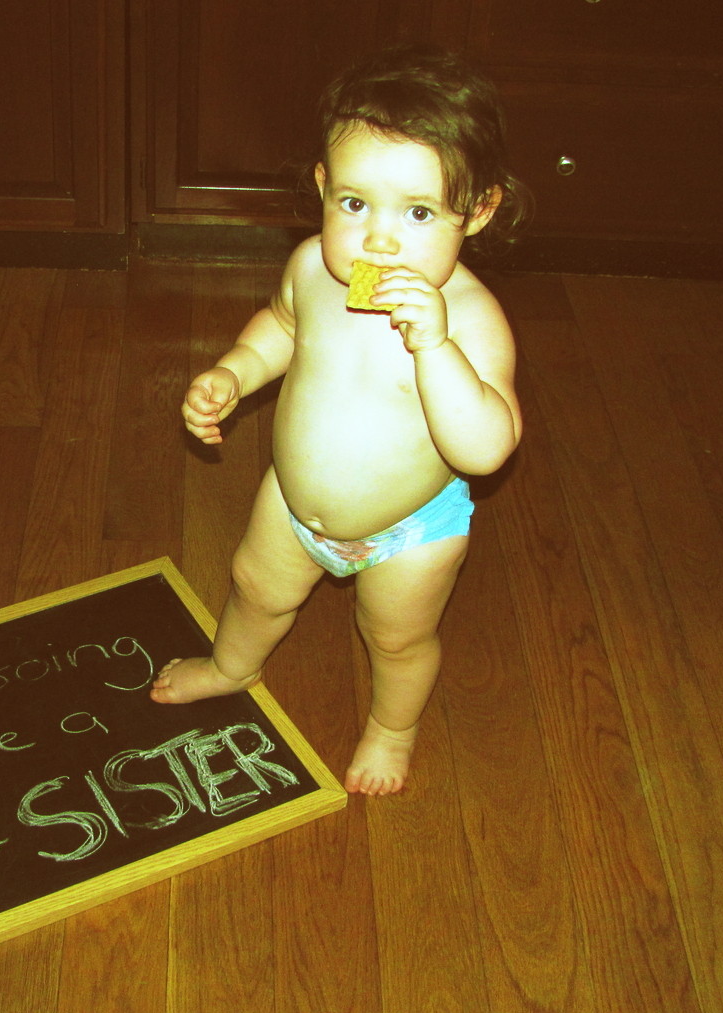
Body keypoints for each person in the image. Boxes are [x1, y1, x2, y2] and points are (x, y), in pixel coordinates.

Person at [150, 45, 525, 796]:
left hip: (409, 533)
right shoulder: (312, 270)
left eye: (418, 213)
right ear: (323, 185)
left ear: (478, 211)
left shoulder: (471, 320)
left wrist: (436, 347)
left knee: (396, 638)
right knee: (254, 587)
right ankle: (232, 666)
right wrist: (235, 371)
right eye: (354, 204)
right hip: (293, 502)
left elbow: (486, 450)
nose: (378, 240)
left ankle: (392, 727)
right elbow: (281, 328)